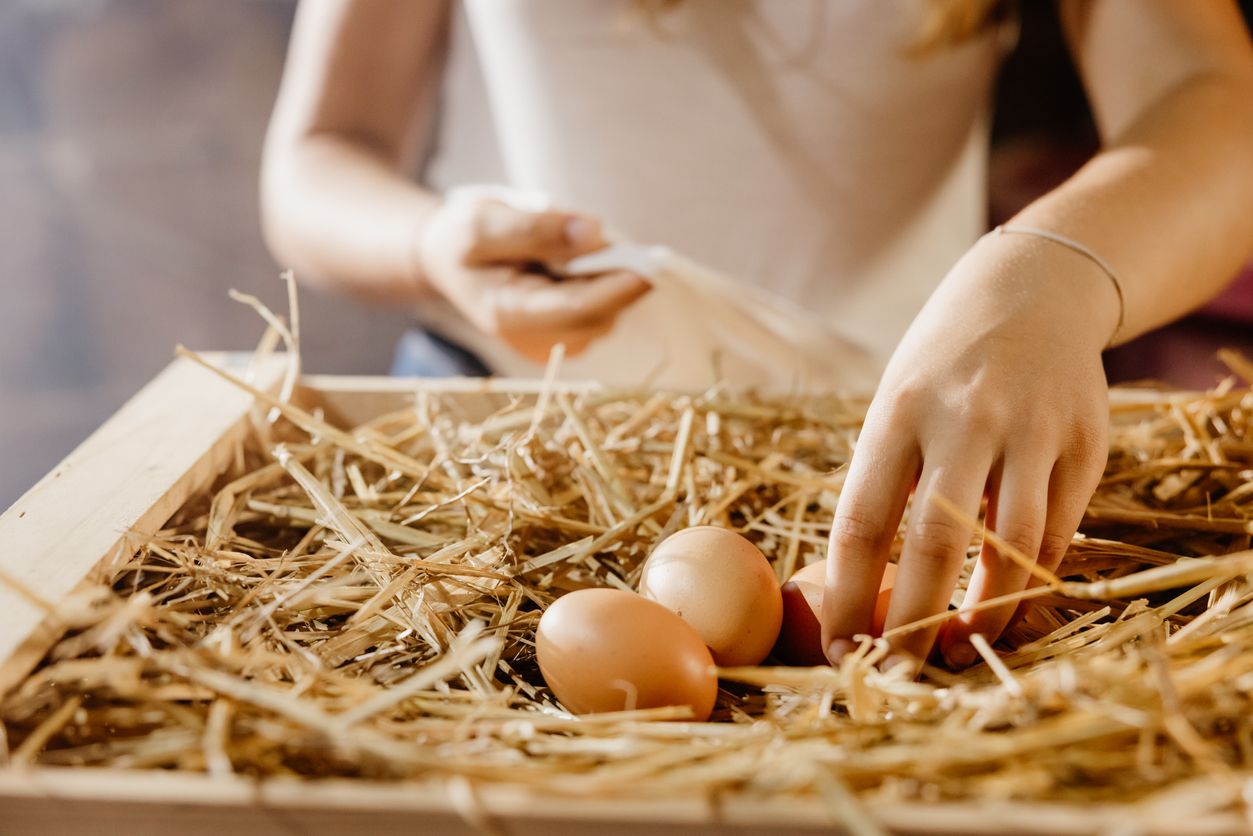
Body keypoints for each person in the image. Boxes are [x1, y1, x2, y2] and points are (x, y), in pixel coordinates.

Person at [260, 0, 1253, 674]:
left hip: (892, 443)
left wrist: (1057, 265)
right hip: (501, 422)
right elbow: (317, 154)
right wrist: (430, 244)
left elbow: (1211, 99)